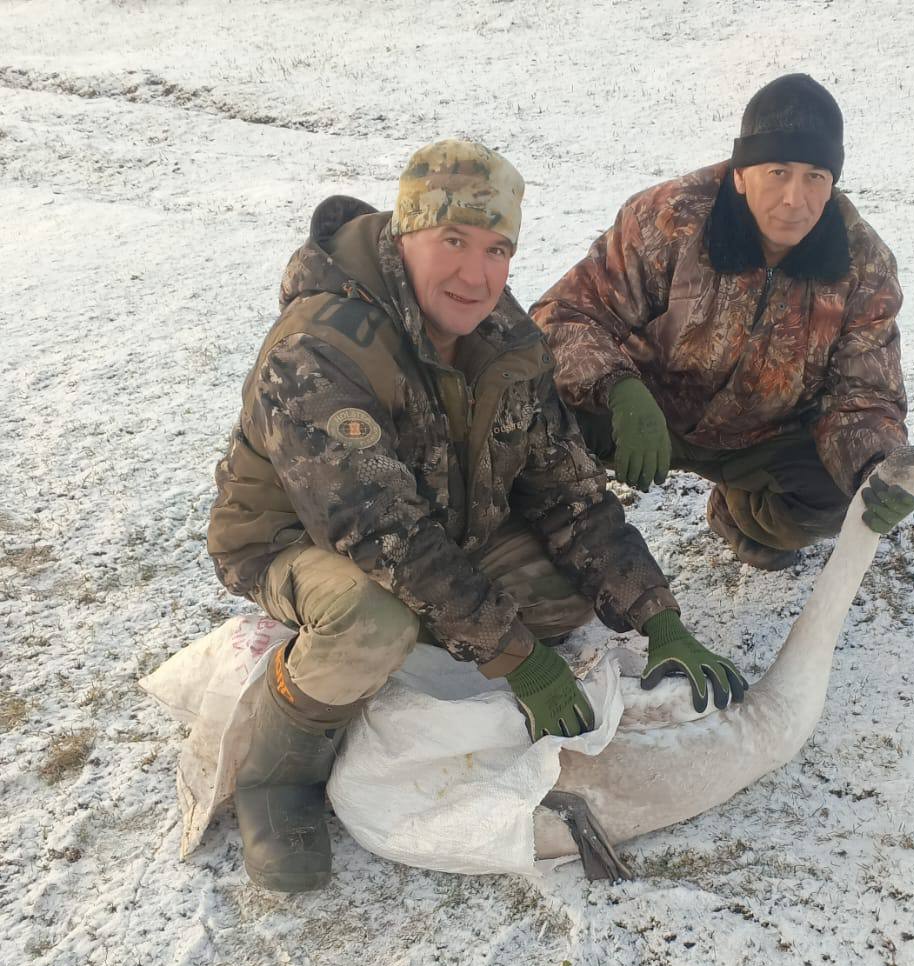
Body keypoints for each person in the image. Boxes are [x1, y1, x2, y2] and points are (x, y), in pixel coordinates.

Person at [207, 140, 745, 894]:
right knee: (373, 620)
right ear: (405, 234)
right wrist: (518, 660)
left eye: (497, 248)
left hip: (441, 520)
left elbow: (568, 494)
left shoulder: (505, 339)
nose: (475, 272)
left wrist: (658, 619)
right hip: (295, 538)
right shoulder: (319, 349)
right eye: (452, 240)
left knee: (561, 596)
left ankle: (440, 623)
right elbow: (383, 536)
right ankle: (277, 769)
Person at [530, 73, 914, 572]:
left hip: (762, 436)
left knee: (838, 495)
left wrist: (877, 469)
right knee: (530, 408)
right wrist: (619, 391)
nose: (795, 198)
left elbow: (864, 396)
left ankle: (741, 516)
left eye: (815, 176)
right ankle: (547, 533)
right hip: (639, 415)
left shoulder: (864, 264)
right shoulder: (670, 217)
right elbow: (562, 316)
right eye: (778, 171)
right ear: (740, 173)